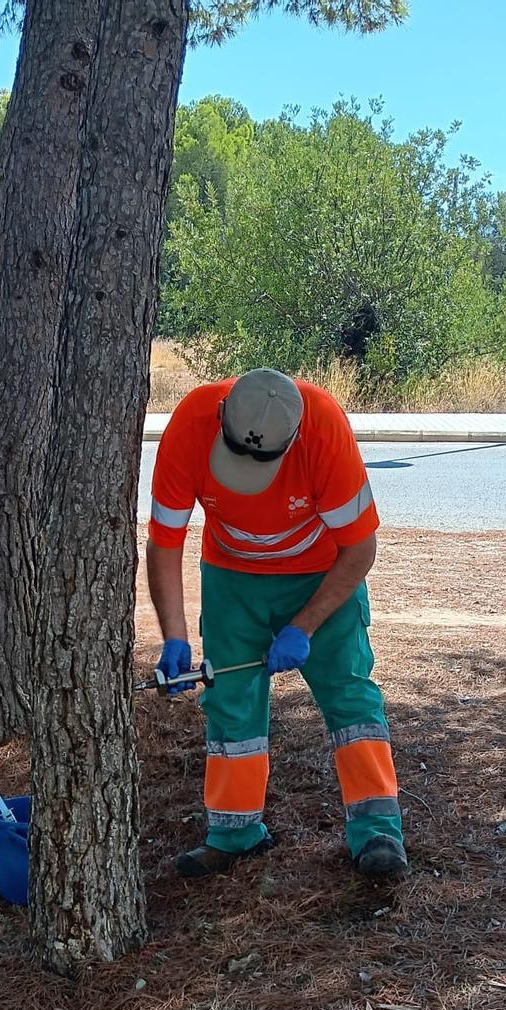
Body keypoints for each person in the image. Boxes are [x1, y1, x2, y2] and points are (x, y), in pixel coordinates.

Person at [145, 367, 408, 884]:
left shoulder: (325, 429)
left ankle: (378, 832)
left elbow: (360, 549)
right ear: (222, 419)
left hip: (321, 575)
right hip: (231, 578)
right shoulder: (190, 423)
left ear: (294, 436)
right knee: (230, 698)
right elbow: (165, 541)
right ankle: (234, 835)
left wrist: (305, 626)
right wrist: (173, 634)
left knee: (350, 698)